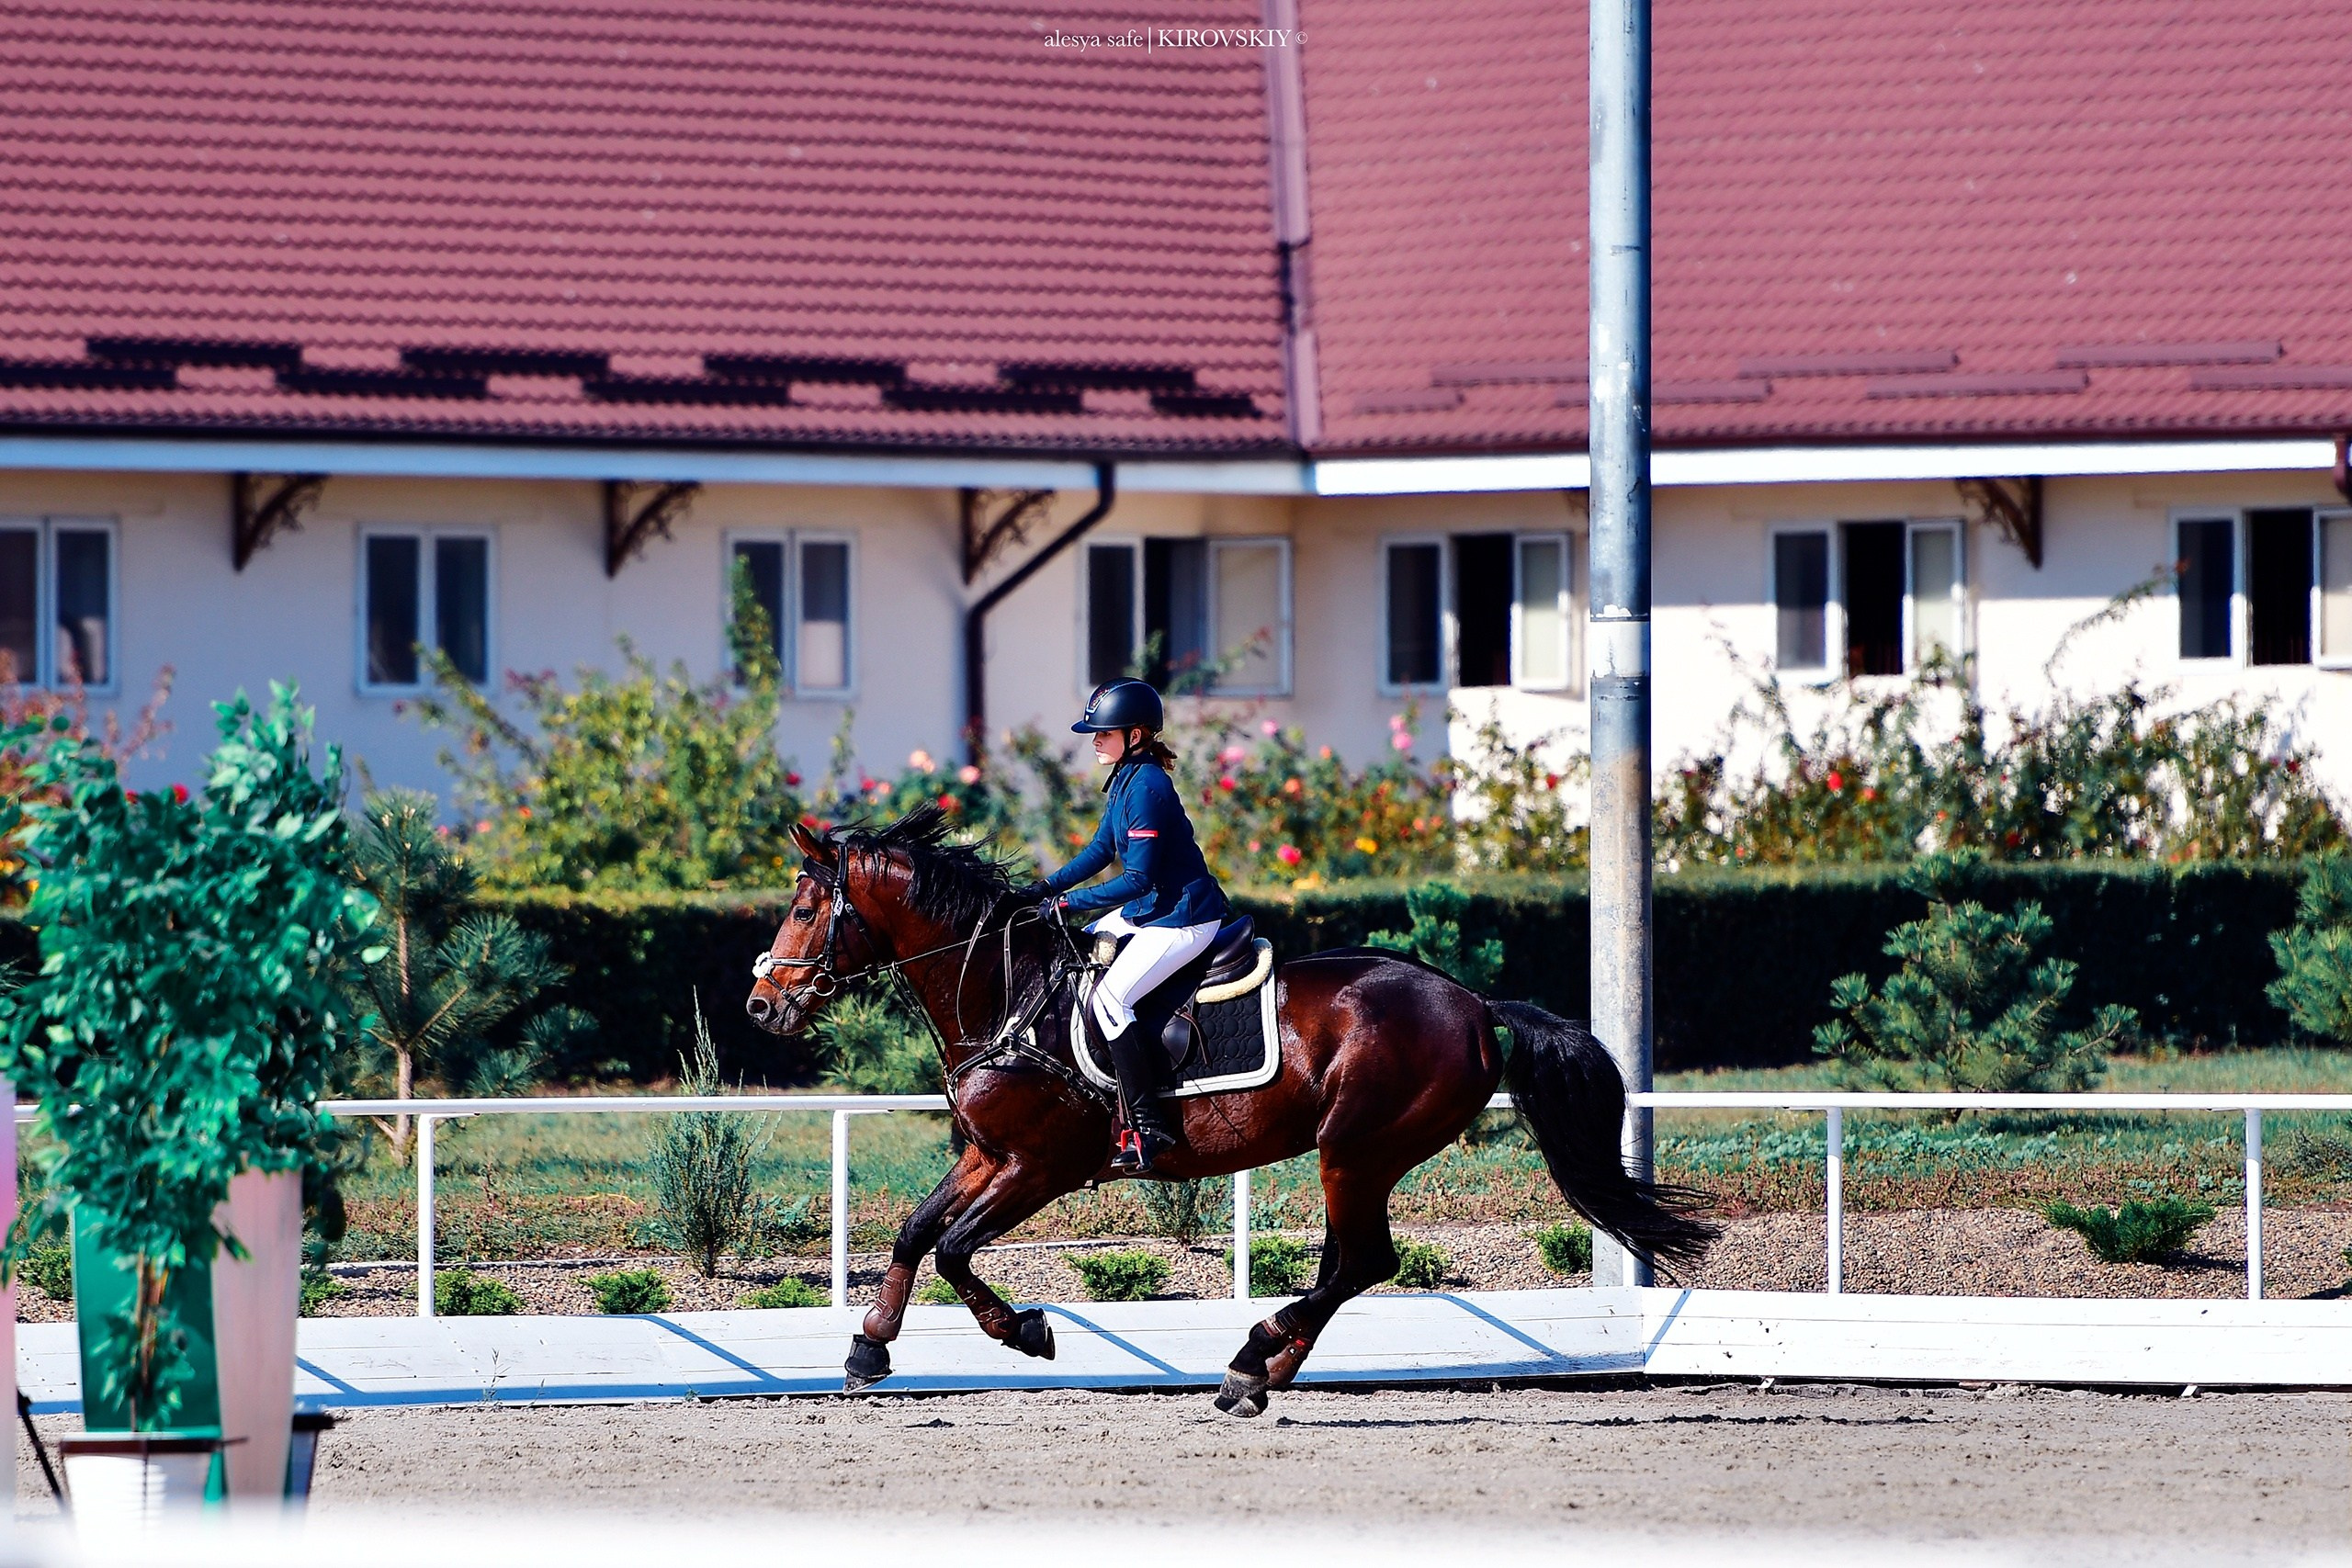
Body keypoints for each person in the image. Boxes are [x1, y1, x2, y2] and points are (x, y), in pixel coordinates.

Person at [1015, 679, 1228, 1174]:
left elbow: (1138, 879)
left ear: (1135, 735)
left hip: (1183, 918)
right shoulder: (1127, 779)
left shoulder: (1149, 785)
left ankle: (1149, 1125)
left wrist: (1068, 904)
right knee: (1081, 954)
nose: (1094, 739)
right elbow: (1099, 852)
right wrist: (1042, 890)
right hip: (1153, 910)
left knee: (1113, 1000)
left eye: (1103, 732)